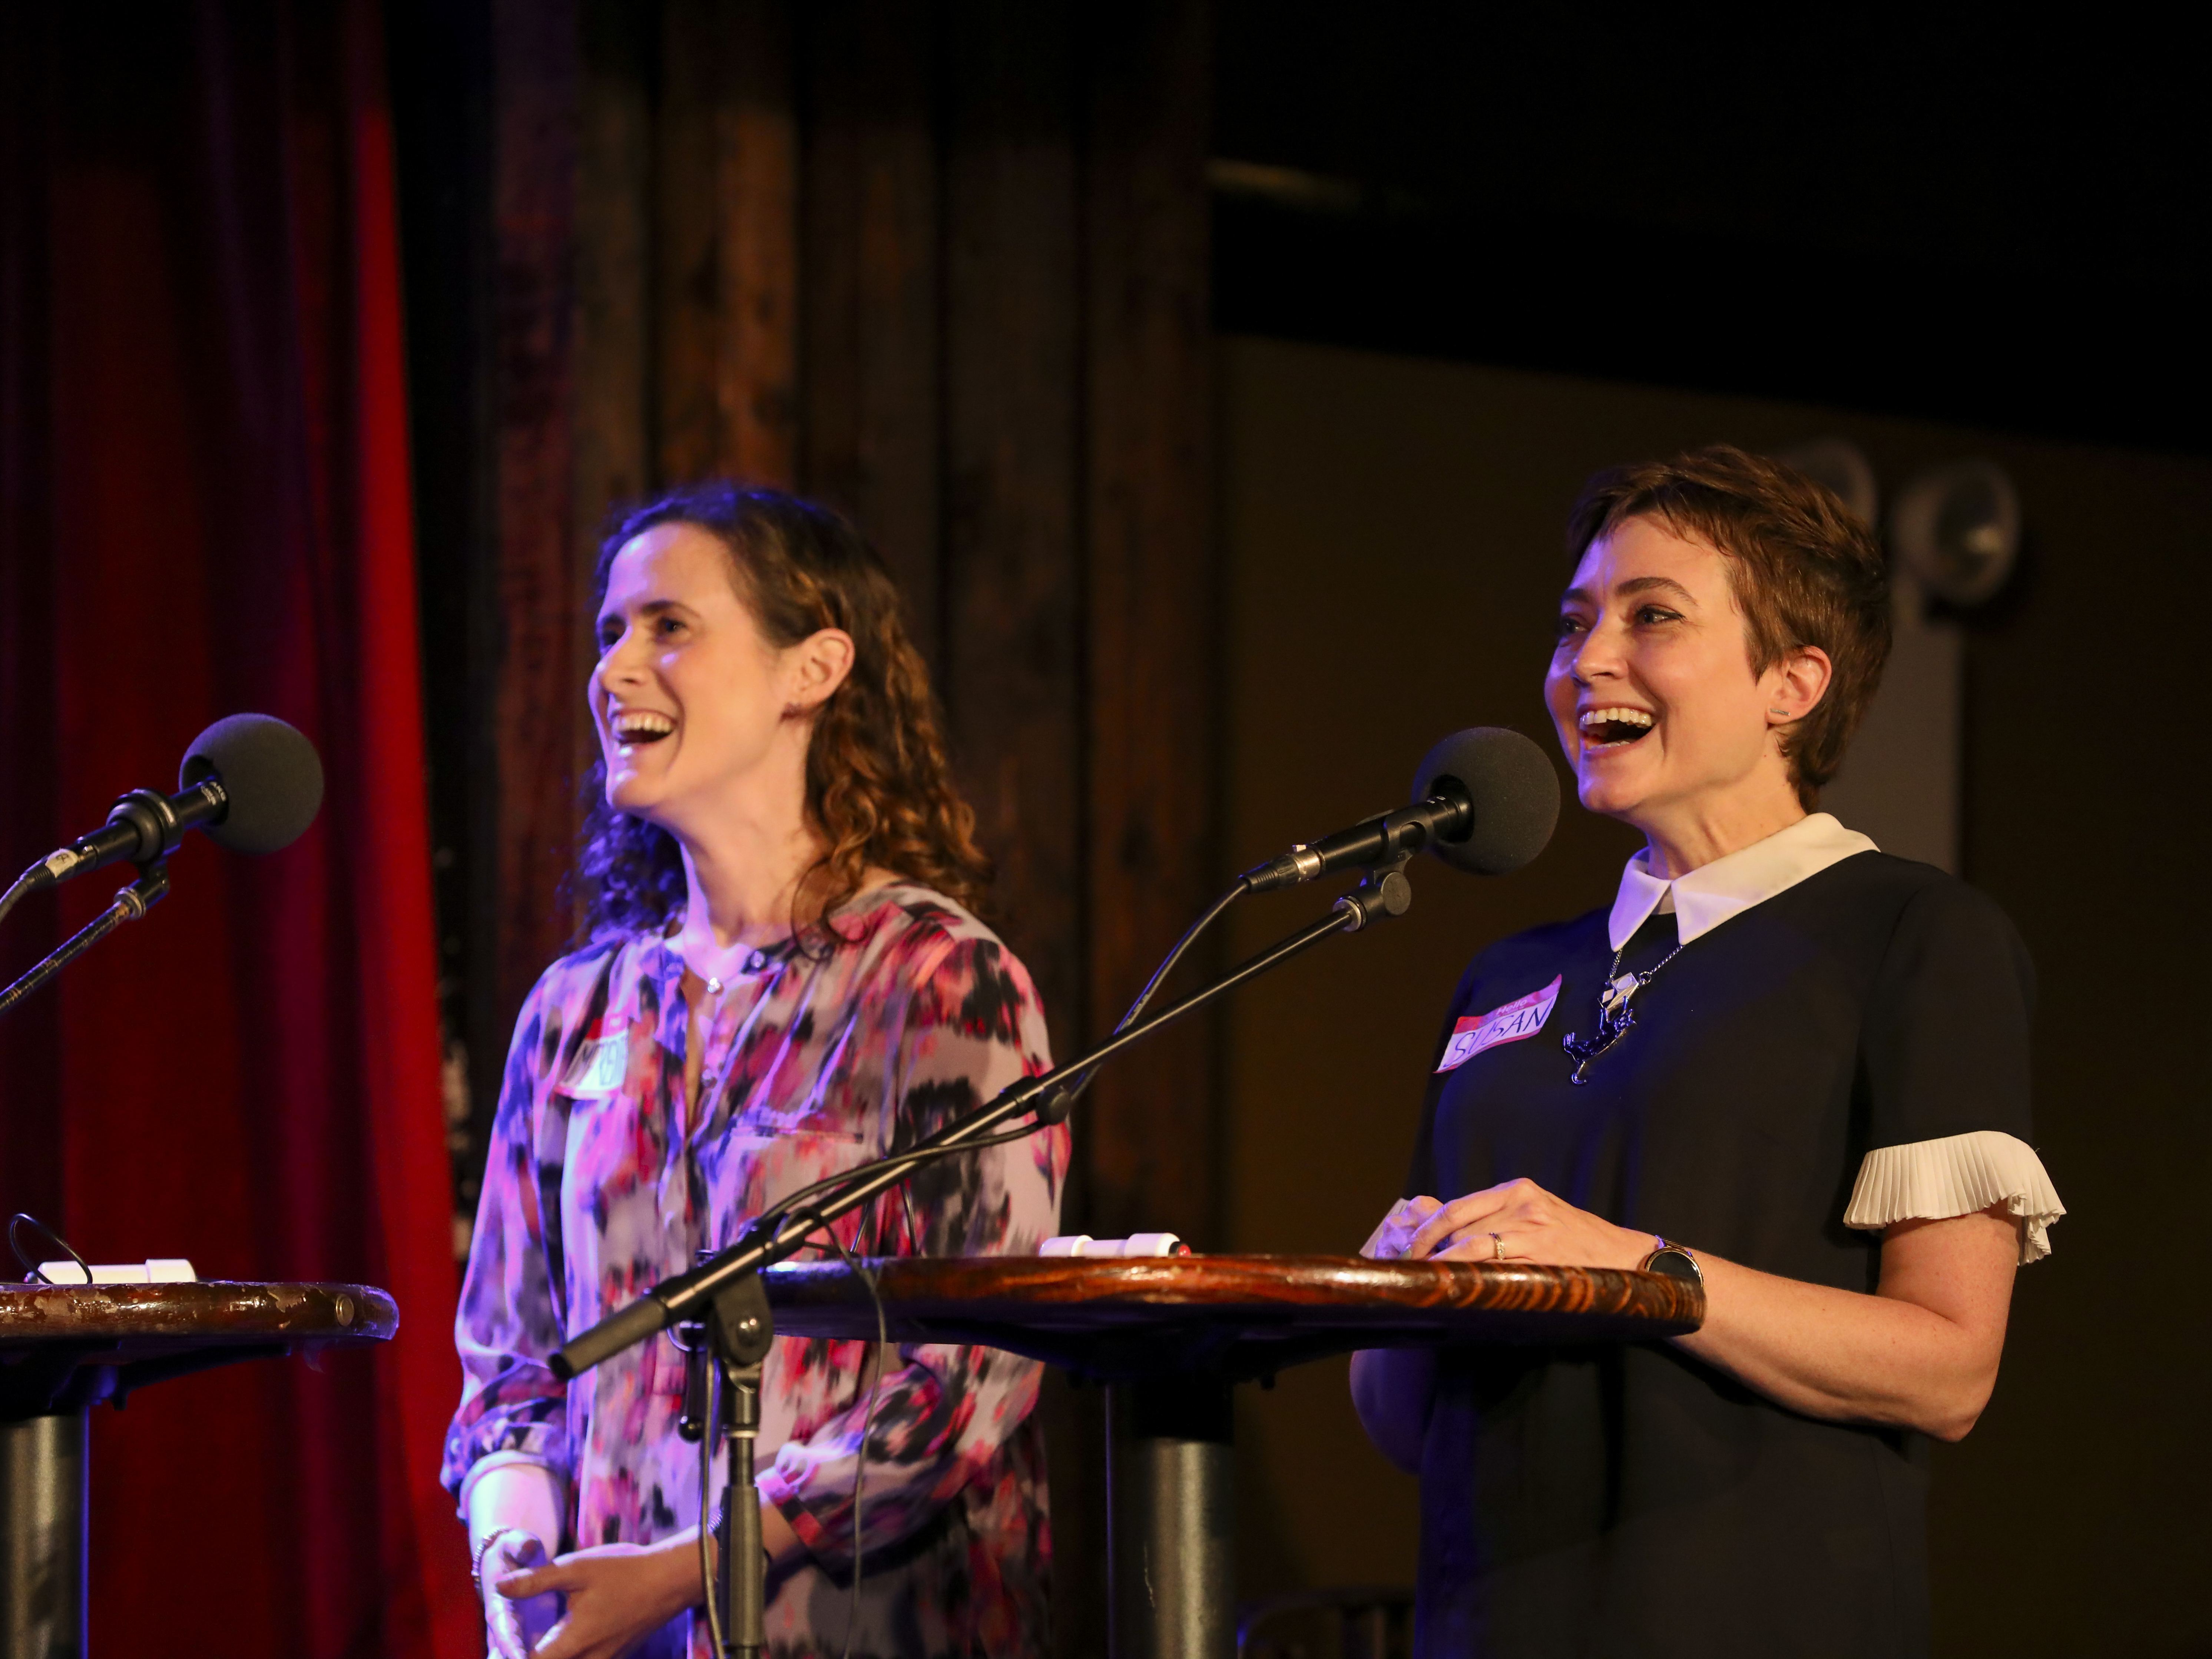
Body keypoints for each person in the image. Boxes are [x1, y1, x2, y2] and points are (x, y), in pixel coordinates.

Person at [1351, 445, 2064, 1658]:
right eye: (1576, 623)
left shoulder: (1911, 937)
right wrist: (1388, 1297)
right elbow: (1411, 1425)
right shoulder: (1506, 981)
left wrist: (1633, 1268)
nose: (1590, 662)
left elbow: (1949, 1369)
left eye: (1652, 616)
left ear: (1793, 680)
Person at [443, 484, 1067, 1659]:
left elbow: (977, 1367)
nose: (616, 666)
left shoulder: (935, 979)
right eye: (608, 632)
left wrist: (695, 1567)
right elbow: (509, 1366)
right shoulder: (576, 1010)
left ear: (812, 669)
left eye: (668, 625)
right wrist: (514, 1561)